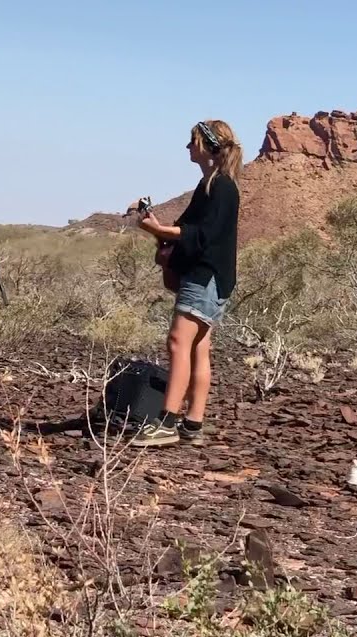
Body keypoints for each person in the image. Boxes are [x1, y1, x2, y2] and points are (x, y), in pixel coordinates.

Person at [129, 119, 242, 447]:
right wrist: (160, 228)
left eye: (193, 141)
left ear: (208, 146)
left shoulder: (221, 187)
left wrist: (159, 231)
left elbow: (201, 235)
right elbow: (189, 229)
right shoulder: (211, 185)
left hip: (205, 277)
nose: (188, 147)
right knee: (198, 347)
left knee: (179, 342)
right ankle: (192, 424)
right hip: (209, 277)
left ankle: (167, 422)